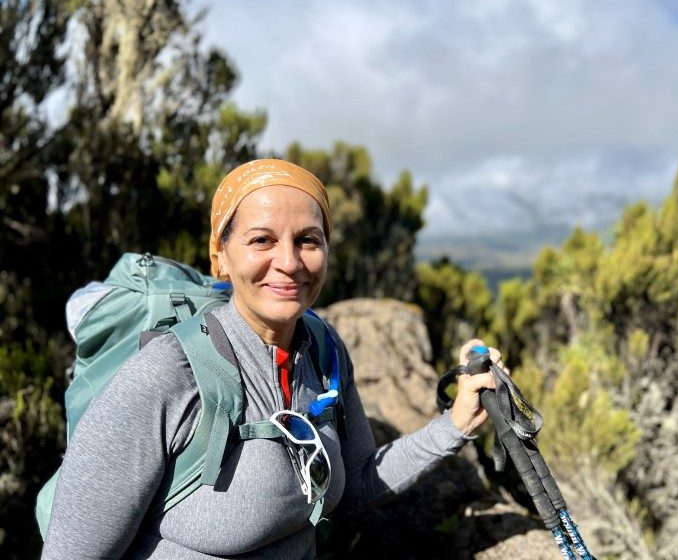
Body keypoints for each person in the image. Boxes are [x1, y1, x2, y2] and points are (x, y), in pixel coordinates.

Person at [41, 159, 503, 559]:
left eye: (308, 240)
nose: (289, 261)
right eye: (261, 240)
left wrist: (456, 421)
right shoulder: (166, 375)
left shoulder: (323, 351)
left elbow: (358, 483)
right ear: (221, 256)